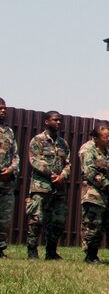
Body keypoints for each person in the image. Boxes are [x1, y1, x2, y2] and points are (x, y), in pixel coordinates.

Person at [26, 110, 70, 260]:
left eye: (59, 120)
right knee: (37, 220)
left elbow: (68, 164)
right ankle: (32, 250)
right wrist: (53, 176)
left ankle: (51, 251)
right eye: (55, 120)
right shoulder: (37, 140)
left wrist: (62, 176)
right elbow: (35, 161)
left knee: (58, 221)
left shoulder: (63, 143)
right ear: (46, 121)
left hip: (59, 189)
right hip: (41, 187)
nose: (58, 122)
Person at [78, 124, 109, 264]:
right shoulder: (87, 150)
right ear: (96, 138)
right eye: (105, 137)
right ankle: (91, 256)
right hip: (94, 195)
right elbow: (90, 171)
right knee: (93, 227)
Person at [0, 98, 19, 259]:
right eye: (0, 108)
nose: (3, 111)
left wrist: (11, 169)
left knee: (4, 218)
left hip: (6, 183)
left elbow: (15, 155)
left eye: (4, 108)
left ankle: (0, 248)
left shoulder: (9, 132)